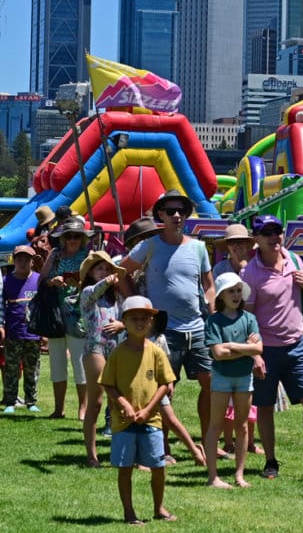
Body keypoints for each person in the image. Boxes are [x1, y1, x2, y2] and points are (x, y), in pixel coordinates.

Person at [240, 214, 303, 480]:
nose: (274, 237)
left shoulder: (294, 260)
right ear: (256, 239)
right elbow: (247, 317)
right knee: (265, 405)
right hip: (266, 348)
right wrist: (255, 355)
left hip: (296, 345)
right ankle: (270, 461)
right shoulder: (249, 273)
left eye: (277, 231)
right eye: (267, 233)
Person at [119, 190, 217, 447]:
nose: (176, 215)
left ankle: (209, 443)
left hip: (197, 327)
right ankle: (161, 447)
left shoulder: (198, 248)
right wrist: (135, 303)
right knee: (163, 389)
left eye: (181, 211)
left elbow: (209, 285)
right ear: (160, 215)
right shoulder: (150, 245)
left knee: (210, 385)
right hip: (163, 330)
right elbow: (120, 272)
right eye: (170, 211)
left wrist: (214, 311)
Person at [101, 296, 177, 525]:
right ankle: (129, 512)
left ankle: (159, 508)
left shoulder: (156, 351)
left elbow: (165, 384)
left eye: (145, 318)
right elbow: (108, 384)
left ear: (151, 322)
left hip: (151, 421)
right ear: (124, 322)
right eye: (134, 318)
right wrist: (124, 404)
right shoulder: (117, 353)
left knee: (158, 466)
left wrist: (148, 410)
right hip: (124, 422)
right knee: (125, 468)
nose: (140, 322)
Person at [204, 272, 262, 489]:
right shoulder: (214, 321)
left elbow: (258, 348)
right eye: (231, 291)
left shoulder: (249, 319)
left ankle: (239, 475)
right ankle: (213, 477)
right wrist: (246, 348)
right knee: (216, 425)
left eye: (238, 290)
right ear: (221, 295)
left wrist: (231, 346)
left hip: (244, 378)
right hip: (221, 378)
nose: (236, 295)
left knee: (243, 426)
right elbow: (218, 354)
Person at [79, 251, 129, 467]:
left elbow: (128, 317)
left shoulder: (115, 297)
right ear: (90, 272)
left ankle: (120, 452)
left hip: (115, 350)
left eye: (108, 269)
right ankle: (92, 455)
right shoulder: (87, 292)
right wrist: (110, 279)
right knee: (96, 402)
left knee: (117, 401)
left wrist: (122, 324)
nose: (105, 272)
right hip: (95, 348)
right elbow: (95, 290)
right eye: (100, 268)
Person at [42, 217, 93, 420]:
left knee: (80, 363)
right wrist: (52, 281)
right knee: (56, 363)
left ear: (82, 238)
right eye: (68, 236)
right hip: (55, 313)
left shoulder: (88, 255)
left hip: (79, 314)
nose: (72, 239)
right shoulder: (55, 254)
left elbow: (97, 281)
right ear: (63, 238)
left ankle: (83, 408)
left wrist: (81, 283)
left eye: (76, 236)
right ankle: (58, 408)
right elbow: (41, 280)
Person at [1, 245, 42, 413]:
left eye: (26, 259)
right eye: (19, 259)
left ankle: (31, 401)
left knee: (32, 368)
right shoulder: (6, 281)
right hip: (13, 332)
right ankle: (10, 402)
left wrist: (44, 332)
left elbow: (44, 306)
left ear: (32, 262)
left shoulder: (39, 279)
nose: (23, 263)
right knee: (11, 368)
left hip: (33, 333)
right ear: (14, 260)